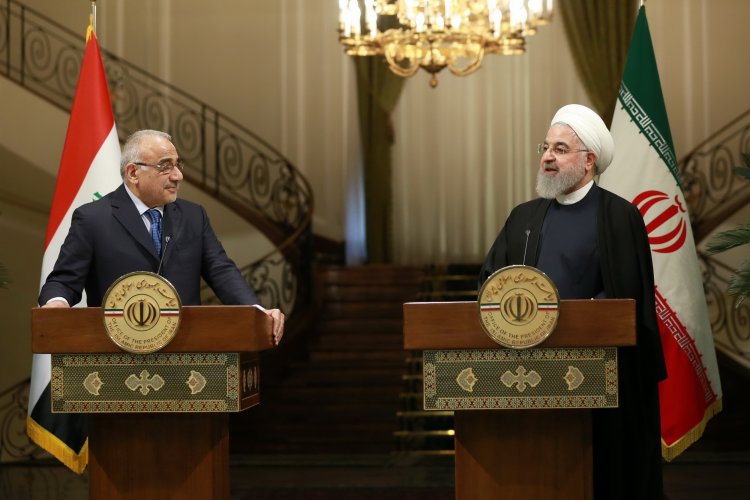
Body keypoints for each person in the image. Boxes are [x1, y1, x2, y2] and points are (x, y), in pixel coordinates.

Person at [479, 104, 666, 499]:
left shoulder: (619, 216)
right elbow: (490, 284)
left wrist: (576, 319)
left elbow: (627, 297)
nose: (548, 156)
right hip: (527, 372)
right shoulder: (524, 218)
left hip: (597, 377)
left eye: (560, 149)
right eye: (545, 147)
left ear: (588, 161)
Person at [39, 129, 284, 345]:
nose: (178, 175)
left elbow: (221, 271)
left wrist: (259, 311)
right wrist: (56, 303)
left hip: (186, 351)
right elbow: (64, 281)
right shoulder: (93, 218)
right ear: (133, 172)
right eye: (165, 166)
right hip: (116, 351)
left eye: (178, 165)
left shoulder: (193, 216)